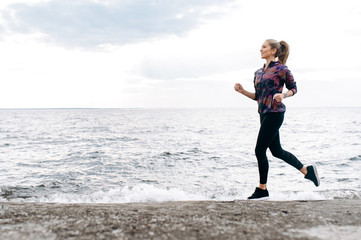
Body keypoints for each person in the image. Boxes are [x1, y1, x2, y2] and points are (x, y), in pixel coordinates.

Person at [234, 39, 320, 200]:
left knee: (259, 150)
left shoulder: (281, 69)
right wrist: (242, 91)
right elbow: (258, 97)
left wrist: (283, 95)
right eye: (261, 47)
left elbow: (294, 88)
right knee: (276, 151)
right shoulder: (258, 73)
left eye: (264, 47)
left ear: (273, 50)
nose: (261, 49)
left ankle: (262, 189)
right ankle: (307, 171)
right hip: (263, 113)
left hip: (275, 113)